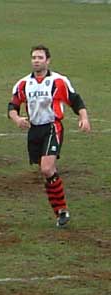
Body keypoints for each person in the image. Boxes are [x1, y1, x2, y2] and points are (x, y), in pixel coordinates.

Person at [8, 44, 91, 227]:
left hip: (53, 127)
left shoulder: (59, 81)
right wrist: (17, 119)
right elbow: (12, 106)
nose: (36, 61)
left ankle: (62, 211)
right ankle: (61, 212)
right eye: (34, 58)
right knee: (48, 172)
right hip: (34, 131)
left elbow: (75, 101)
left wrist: (83, 118)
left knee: (46, 169)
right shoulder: (23, 84)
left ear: (48, 60)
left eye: (40, 57)